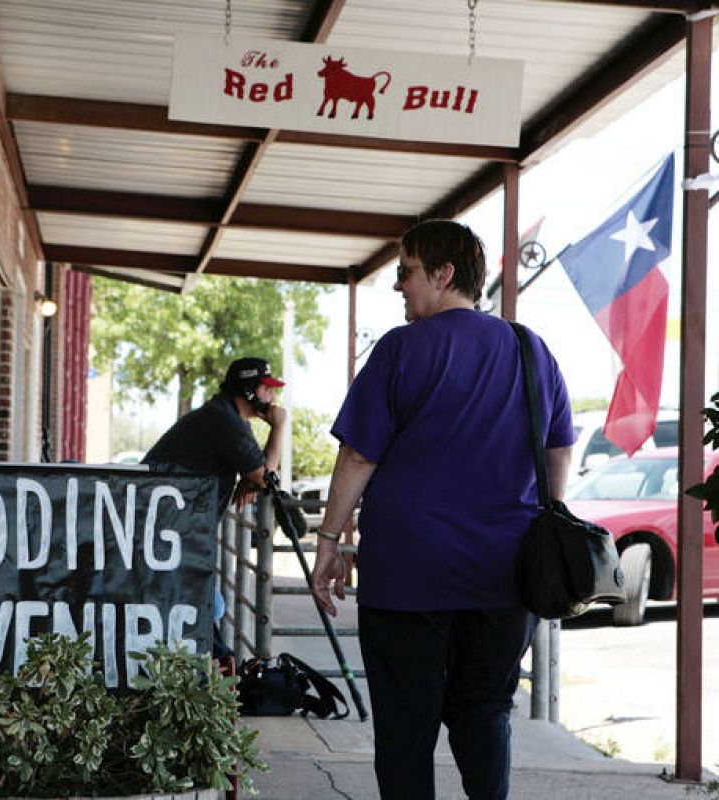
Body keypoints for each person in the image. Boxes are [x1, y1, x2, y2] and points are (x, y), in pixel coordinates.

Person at [310, 220, 574, 800]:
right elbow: (559, 445)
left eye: (405, 273)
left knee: (406, 728)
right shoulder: (532, 350)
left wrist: (328, 542)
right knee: (485, 714)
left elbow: (358, 455)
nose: (399, 287)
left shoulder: (402, 349)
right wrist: (550, 511)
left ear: (443, 273)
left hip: (408, 578)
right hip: (504, 579)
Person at [143, 357, 287, 643]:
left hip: (171, 531)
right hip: (168, 534)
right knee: (207, 608)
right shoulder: (226, 421)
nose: (272, 397)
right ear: (248, 390)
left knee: (211, 606)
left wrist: (250, 477)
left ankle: (208, 664)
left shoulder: (224, 416)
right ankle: (208, 670)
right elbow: (265, 477)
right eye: (266, 388)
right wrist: (279, 427)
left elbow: (258, 474)